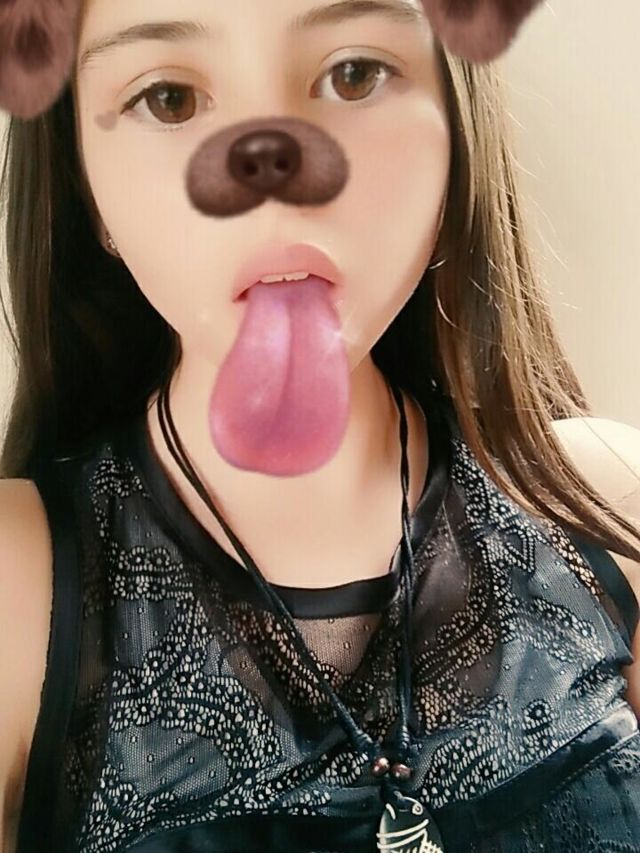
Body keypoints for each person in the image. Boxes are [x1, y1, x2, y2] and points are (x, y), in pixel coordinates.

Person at [0, 0, 639, 851]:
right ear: (86, 186)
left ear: (456, 125)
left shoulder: (609, 508)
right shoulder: (16, 596)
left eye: (355, 74)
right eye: (169, 98)